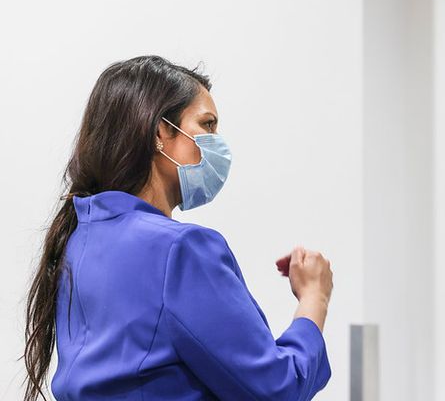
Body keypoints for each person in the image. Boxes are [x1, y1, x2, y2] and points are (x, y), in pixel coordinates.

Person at [23, 56, 333, 400]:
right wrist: (313, 299)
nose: (219, 144)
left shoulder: (77, 238)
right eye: (208, 125)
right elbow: (277, 389)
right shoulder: (180, 250)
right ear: (160, 132)